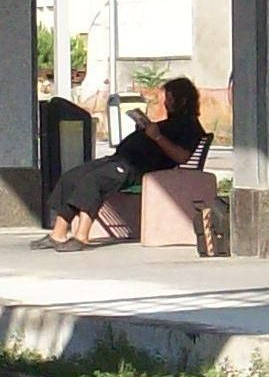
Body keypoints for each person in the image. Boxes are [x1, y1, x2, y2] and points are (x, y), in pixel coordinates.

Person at [42, 77, 205, 250]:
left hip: (139, 168)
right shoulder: (170, 123)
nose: (166, 104)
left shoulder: (190, 126)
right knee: (73, 176)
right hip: (120, 159)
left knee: (93, 181)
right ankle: (57, 234)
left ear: (183, 100)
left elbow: (182, 157)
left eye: (171, 99)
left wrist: (157, 136)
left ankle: (81, 236)